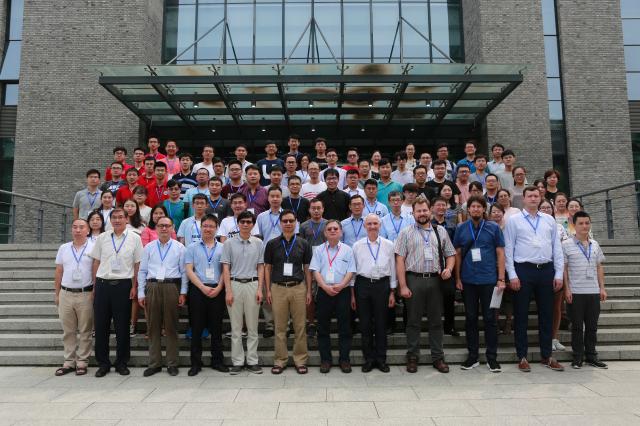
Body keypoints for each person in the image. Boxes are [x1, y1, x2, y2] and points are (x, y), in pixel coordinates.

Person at [504, 186, 565, 372]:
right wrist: (512, 274)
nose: (533, 198)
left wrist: (558, 273)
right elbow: (508, 248)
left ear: (540, 198)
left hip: (546, 270)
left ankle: (547, 356)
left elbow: (556, 248)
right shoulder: (514, 220)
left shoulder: (549, 220)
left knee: (546, 314)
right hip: (523, 270)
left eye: (536, 196)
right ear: (523, 199)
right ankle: (522, 356)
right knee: (521, 315)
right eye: (529, 196)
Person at [395, 198, 455, 374]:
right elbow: (400, 260)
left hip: (436, 280)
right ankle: (413, 356)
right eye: (418, 211)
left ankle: (438, 357)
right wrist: (403, 285)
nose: (422, 214)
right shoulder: (406, 232)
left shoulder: (440, 231)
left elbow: (451, 254)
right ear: (413, 213)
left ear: (430, 211)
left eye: (424, 210)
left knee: (436, 321)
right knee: (413, 321)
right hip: (414, 279)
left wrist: (449, 269)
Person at [453, 196, 505, 372]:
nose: (475, 209)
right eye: (472, 206)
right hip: (468, 280)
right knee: (470, 318)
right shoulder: (461, 228)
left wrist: (501, 278)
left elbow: (500, 253)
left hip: (489, 280)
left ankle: (492, 358)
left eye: (478, 206)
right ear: (468, 210)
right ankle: (472, 356)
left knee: (490, 319)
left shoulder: (493, 227)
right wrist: (458, 278)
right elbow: (457, 254)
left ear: (484, 209)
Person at [89, 208, 143, 377]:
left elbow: (137, 264)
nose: (117, 220)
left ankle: (122, 362)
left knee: (122, 326)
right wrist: (94, 286)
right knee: (101, 326)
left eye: (120, 217)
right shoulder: (103, 237)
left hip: (124, 285)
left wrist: (134, 286)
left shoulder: (135, 238)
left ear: (127, 219)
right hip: (103, 284)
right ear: (110, 220)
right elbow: (96, 262)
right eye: (114, 217)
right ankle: (103, 363)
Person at [264, 210, 313, 375]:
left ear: (296, 222)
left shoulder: (303, 243)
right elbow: (267, 268)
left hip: (298, 287)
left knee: (300, 326)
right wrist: (268, 289)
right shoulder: (272, 244)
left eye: (291, 220)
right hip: (278, 288)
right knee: (280, 327)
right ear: (280, 223)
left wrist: (308, 290)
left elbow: (307, 268)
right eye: (285, 221)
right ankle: (280, 360)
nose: (288, 223)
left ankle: (300, 360)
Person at [137, 216, 186, 377]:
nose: (164, 228)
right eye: (161, 226)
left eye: (167, 225)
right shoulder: (149, 247)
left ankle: (172, 363)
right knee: (153, 326)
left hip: (172, 286)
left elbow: (184, 272)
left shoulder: (180, 248)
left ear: (172, 228)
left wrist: (183, 292)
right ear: (156, 228)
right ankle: (154, 363)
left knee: (171, 326)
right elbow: (142, 271)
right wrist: (141, 292)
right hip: (152, 286)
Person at [563, 211, 608, 369]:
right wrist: (567, 289)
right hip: (576, 292)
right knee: (576, 327)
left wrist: (602, 288)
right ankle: (577, 357)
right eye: (581, 223)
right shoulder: (566, 244)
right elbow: (564, 269)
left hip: (593, 292)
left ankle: (591, 356)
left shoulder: (595, 244)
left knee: (592, 327)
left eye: (587, 223)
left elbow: (599, 266)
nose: (584, 226)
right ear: (574, 225)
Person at [221, 210, 265, 375]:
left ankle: (252, 361)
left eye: (249, 222)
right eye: (243, 222)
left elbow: (260, 266)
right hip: (235, 284)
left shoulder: (258, 243)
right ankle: (238, 361)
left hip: (252, 284)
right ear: (238, 224)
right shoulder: (228, 243)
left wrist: (260, 288)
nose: (246, 224)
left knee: (252, 327)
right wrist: (228, 290)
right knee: (236, 327)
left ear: (253, 225)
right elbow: (226, 267)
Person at [184, 214, 229, 376]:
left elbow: (225, 270)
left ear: (216, 229)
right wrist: (202, 287)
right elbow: (189, 270)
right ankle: (196, 363)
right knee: (196, 327)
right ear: (201, 227)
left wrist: (219, 287)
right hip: (198, 290)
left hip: (217, 289)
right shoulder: (192, 247)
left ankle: (217, 361)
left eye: (211, 226)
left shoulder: (223, 247)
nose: (208, 229)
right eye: (205, 226)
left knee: (217, 327)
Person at [310, 219, 357, 373]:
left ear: (341, 232)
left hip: (342, 291)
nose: (332, 231)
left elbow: (351, 271)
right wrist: (324, 286)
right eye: (329, 229)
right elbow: (315, 270)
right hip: (324, 292)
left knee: (345, 327)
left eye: (335, 229)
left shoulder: (348, 250)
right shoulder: (318, 250)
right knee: (323, 327)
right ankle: (326, 360)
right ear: (325, 233)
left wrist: (342, 285)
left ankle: (344, 359)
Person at [353, 214, 397, 373]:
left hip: (382, 285)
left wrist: (392, 292)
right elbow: (353, 271)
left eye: (375, 223)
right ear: (365, 226)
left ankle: (381, 359)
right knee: (365, 324)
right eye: (369, 224)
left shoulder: (388, 245)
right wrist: (352, 294)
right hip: (363, 285)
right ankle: (369, 359)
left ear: (380, 225)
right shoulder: (357, 246)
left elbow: (393, 268)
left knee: (381, 323)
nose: (372, 226)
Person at [54, 218, 95, 376]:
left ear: (88, 230)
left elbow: (95, 270)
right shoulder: (64, 248)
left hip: (86, 293)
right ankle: (69, 361)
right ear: (71, 230)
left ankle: (82, 361)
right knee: (68, 330)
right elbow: (59, 271)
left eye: (81, 227)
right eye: (75, 227)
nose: (78, 230)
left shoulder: (93, 247)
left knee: (85, 330)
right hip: (66, 293)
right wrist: (57, 293)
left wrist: (95, 291)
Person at [298, 198, 327, 338]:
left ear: (323, 209)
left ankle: (322, 322)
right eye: (313, 208)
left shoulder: (328, 224)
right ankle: (311, 323)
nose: (316, 211)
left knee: (323, 294)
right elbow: (300, 245)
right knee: (309, 293)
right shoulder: (303, 226)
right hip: (308, 264)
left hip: (325, 264)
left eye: (318, 208)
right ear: (309, 210)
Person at [431, 196, 458, 337]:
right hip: (431, 267)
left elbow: (453, 249)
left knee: (449, 296)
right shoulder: (428, 224)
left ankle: (449, 326)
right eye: (438, 205)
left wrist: (450, 268)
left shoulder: (452, 225)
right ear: (432, 208)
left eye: (444, 205)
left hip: (448, 265)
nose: (441, 207)